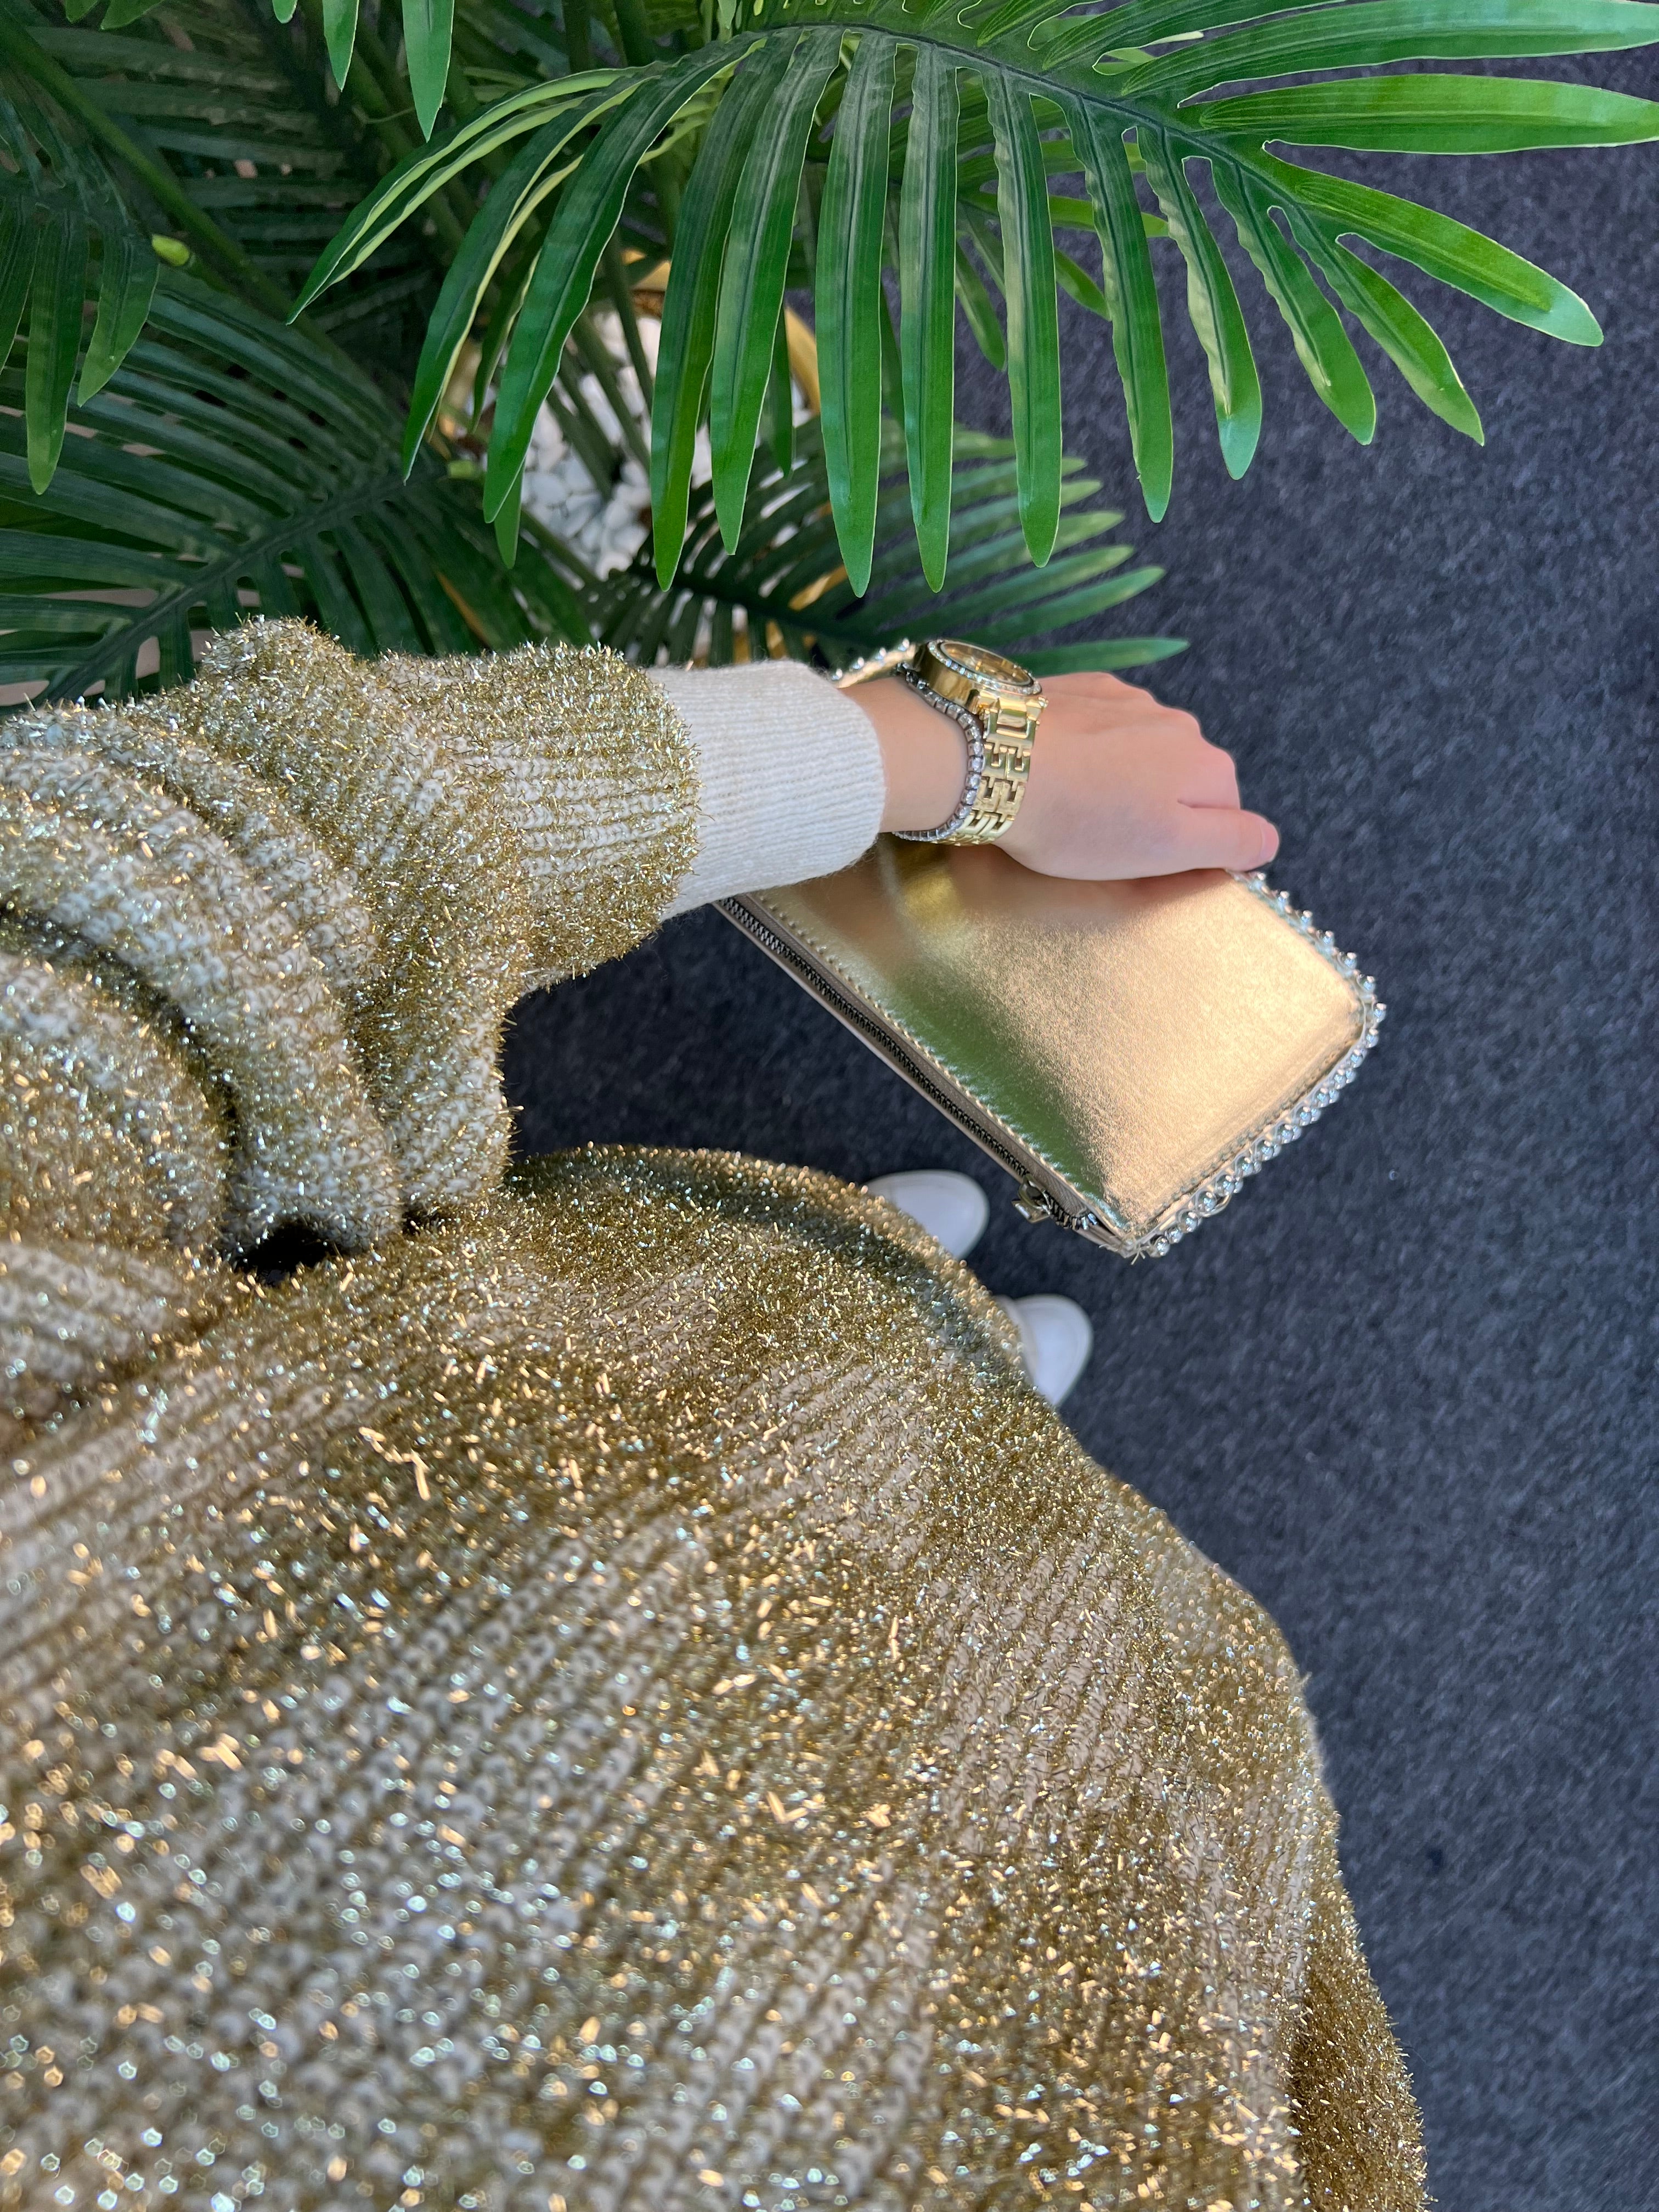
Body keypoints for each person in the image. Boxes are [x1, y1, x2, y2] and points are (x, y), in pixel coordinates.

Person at [0, 622, 1423, 2212]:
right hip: (1088, 1751)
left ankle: (902, 1326)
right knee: (956, 1449)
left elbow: (179, 887)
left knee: (832, 1344)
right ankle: (941, 1359)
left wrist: (953, 761)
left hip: (599, 1378)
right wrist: (947, 759)